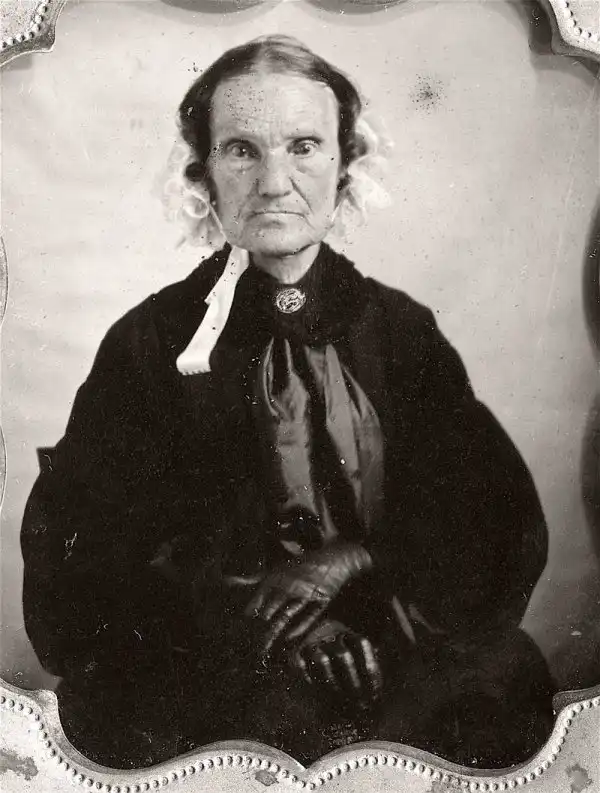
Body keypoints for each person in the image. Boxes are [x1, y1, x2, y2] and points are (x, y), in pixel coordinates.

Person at [21, 35, 554, 770]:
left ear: (345, 166)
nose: (274, 182)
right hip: (209, 661)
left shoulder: (400, 331)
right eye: (242, 150)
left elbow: (487, 516)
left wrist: (354, 562)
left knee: (502, 698)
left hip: (392, 638)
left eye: (304, 146)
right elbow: (84, 560)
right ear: (203, 173)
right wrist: (266, 629)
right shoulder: (149, 343)